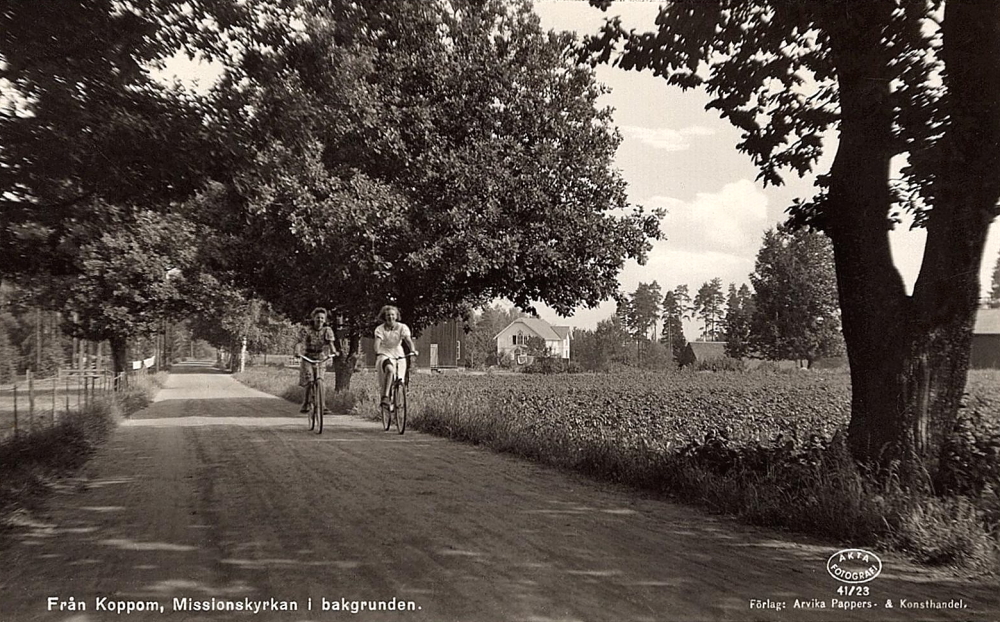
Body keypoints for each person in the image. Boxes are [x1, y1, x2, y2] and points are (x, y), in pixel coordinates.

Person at [373, 305, 416, 407]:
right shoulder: (380, 329)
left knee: (399, 378)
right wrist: (377, 351)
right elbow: (377, 343)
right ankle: (386, 397)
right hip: (384, 353)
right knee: (390, 370)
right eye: (388, 315)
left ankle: (398, 400)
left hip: (398, 352)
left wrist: (413, 350)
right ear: (385, 317)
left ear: (396, 316)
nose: (390, 317)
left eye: (393, 315)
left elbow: (408, 341)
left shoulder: (402, 327)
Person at [297, 307, 338, 413]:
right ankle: (306, 403)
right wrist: (297, 352)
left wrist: (333, 352)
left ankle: (323, 406)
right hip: (308, 357)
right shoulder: (306, 330)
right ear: (314, 318)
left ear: (325, 320)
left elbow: (331, 344)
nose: (320, 320)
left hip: (320, 358)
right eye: (318, 318)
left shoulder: (327, 330)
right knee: (310, 380)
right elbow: (299, 342)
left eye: (322, 318)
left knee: (320, 381)